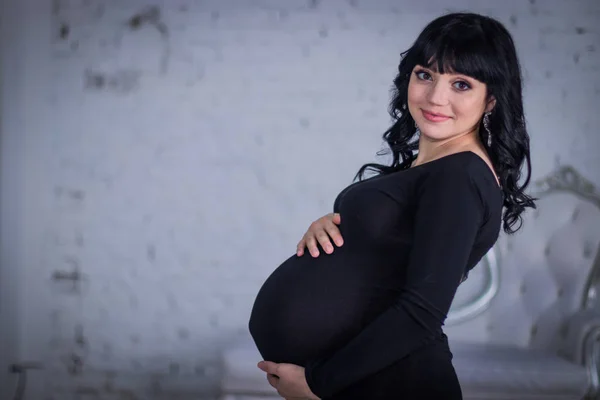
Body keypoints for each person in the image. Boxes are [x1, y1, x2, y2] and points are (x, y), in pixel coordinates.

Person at [248, 12, 536, 400]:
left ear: (491, 101)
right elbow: (389, 255)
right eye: (425, 75)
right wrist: (338, 225)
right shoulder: (435, 168)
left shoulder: (460, 176)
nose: (436, 97)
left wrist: (319, 383)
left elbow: (423, 312)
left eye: (461, 84)